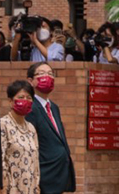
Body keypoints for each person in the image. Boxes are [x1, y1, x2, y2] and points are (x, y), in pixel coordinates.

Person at [25, 63, 73, 194]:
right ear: (30, 81)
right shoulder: (30, 108)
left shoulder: (54, 107)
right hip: (44, 175)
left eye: (50, 74)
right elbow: (30, 146)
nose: (47, 76)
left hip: (59, 174)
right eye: (41, 73)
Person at [0, 80, 40, 194]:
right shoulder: (2, 124)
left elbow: (35, 160)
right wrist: (2, 184)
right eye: (21, 97)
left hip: (30, 188)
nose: (25, 100)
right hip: (10, 188)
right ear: (11, 101)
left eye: (29, 97)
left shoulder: (31, 128)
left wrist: (37, 184)